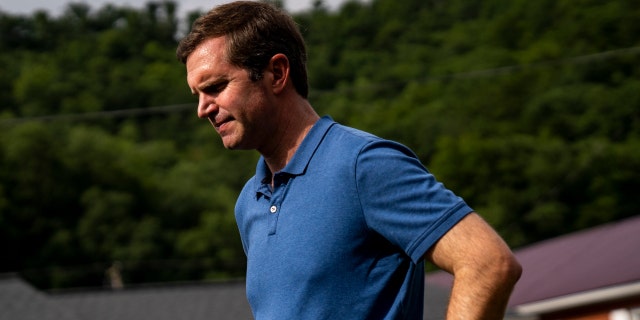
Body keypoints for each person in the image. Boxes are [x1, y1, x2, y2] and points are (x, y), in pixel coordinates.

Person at [176, 1, 521, 319]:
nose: (202, 109)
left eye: (216, 87)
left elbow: (487, 263)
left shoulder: (363, 165)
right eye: (198, 95)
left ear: (278, 73)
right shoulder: (248, 202)